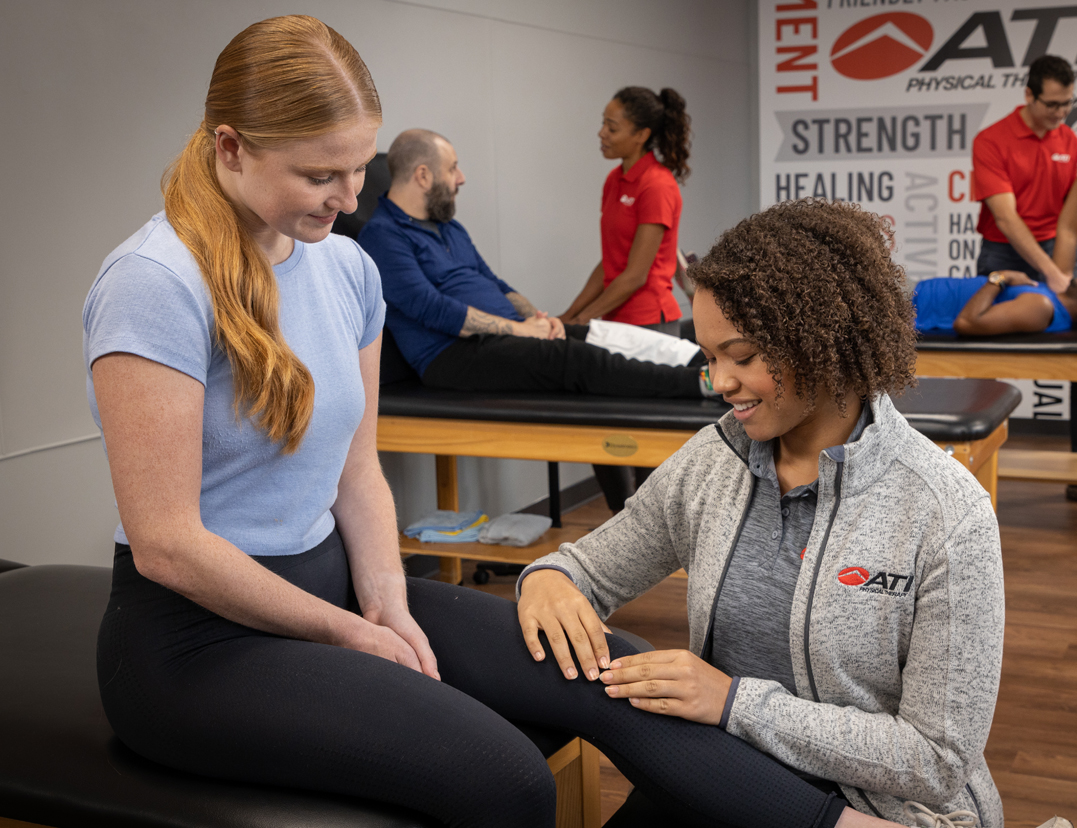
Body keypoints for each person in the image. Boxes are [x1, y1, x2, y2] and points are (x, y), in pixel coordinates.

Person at [84, 18, 915, 828]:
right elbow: (167, 542)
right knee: (505, 778)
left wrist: (386, 603)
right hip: (194, 647)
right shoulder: (156, 281)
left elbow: (356, 471)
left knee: (623, 671)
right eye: (317, 175)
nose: (349, 197)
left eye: (356, 168)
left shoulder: (345, 266)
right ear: (230, 147)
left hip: (336, 586)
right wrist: (348, 631)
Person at [516, 199, 1015, 828]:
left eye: (743, 355)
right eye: (709, 356)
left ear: (824, 340)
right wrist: (545, 580)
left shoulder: (945, 511)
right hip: (719, 775)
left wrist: (734, 704)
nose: (719, 381)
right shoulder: (713, 461)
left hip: (877, 810)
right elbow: (583, 568)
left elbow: (938, 760)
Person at [357, 128, 711, 403]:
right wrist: (519, 331)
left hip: (501, 336)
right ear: (422, 175)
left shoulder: (449, 227)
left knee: (599, 333)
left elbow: (493, 281)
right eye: (452, 169)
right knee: (573, 358)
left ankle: (704, 361)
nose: (461, 177)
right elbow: (432, 309)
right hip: (451, 355)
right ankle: (697, 384)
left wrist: (537, 320)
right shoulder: (382, 237)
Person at [972, 53, 1077, 507]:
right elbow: (1007, 220)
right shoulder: (992, 141)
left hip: (1057, 251)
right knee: (980, 360)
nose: (1060, 114)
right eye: (1052, 104)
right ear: (1029, 95)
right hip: (1004, 251)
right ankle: (970, 474)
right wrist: (1050, 274)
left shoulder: (1068, 139)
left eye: (1068, 104)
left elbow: (1068, 223)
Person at [559, 87, 690, 334]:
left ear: (641, 135)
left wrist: (582, 319)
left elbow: (635, 275)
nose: (602, 133)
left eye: (612, 128)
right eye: (603, 124)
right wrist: (569, 314)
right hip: (614, 320)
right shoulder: (614, 179)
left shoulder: (657, 184)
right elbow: (611, 263)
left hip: (650, 323)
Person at [913, 270, 1077, 335]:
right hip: (916, 292)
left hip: (911, 306)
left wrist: (1000, 278)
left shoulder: (1041, 308)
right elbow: (1067, 231)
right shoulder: (1054, 297)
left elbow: (967, 323)